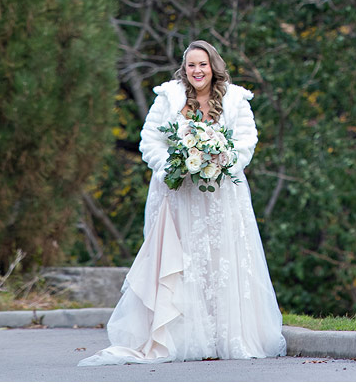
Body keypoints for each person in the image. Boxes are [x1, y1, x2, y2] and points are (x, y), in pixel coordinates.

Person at [79, 40, 286, 365]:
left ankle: (225, 337)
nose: (197, 71)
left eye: (202, 64)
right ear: (184, 68)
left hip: (221, 199)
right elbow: (150, 140)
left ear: (213, 66)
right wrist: (170, 166)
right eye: (191, 65)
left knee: (220, 263)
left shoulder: (235, 99)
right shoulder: (169, 98)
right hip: (179, 197)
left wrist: (221, 161)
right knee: (184, 264)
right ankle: (185, 338)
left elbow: (246, 141)